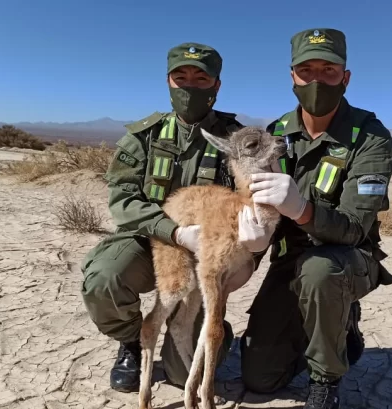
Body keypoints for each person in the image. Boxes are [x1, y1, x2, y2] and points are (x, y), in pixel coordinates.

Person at [80, 42, 265, 393]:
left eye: (201, 77)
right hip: (148, 240)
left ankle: (209, 333)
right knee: (105, 278)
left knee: (185, 376)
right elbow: (123, 200)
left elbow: (256, 202)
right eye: (181, 77)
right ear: (168, 82)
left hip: (206, 254)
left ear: (217, 85)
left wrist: (253, 255)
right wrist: (174, 232)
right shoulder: (145, 136)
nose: (190, 86)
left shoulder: (237, 139)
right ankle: (134, 342)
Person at [238, 28, 392, 408]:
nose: (316, 79)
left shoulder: (370, 138)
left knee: (319, 272)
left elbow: (356, 227)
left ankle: (325, 378)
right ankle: (322, 328)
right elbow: (257, 206)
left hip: (346, 259)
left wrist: (302, 210)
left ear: (346, 77)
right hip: (290, 258)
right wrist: (250, 250)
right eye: (306, 69)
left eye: (328, 70)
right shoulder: (276, 133)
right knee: (261, 379)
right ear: (292, 76)